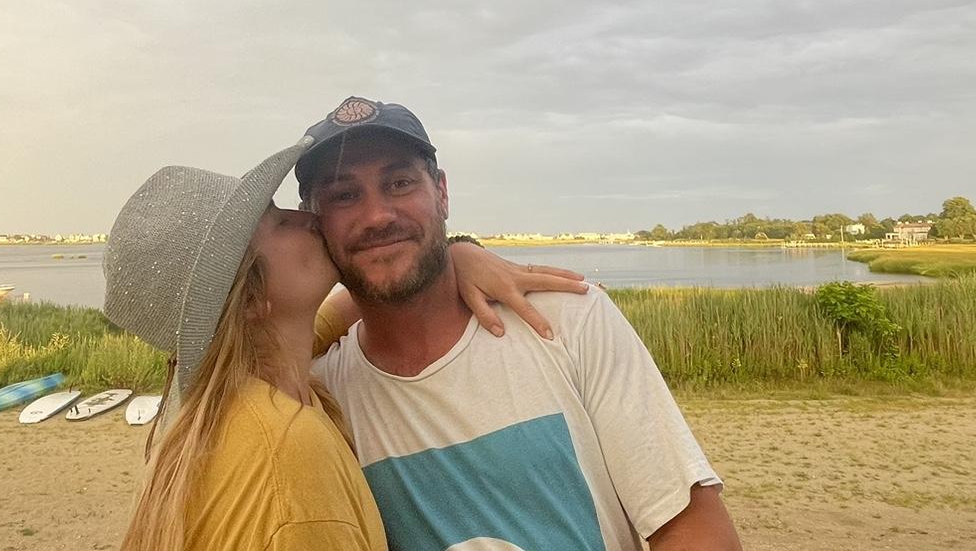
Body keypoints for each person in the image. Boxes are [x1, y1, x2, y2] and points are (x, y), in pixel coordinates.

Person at [296, 96, 745, 551]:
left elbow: (693, 527)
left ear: (442, 193)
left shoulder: (568, 320)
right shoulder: (316, 396)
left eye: (399, 183)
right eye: (344, 195)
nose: (377, 215)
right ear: (315, 225)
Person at [104, 138, 587, 551]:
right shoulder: (290, 455)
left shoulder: (244, 395)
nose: (307, 219)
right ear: (250, 299)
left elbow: (342, 310)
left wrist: (455, 255)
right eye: (278, 223)